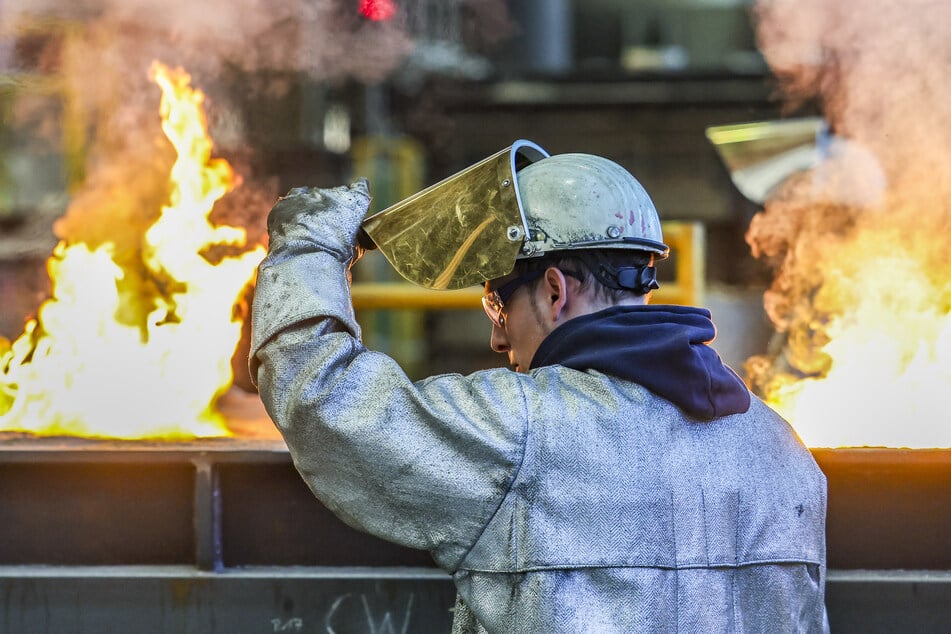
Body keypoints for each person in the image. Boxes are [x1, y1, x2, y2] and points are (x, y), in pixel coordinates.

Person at [249, 141, 829, 633]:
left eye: (497, 304)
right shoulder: (780, 449)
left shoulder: (519, 430)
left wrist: (310, 248)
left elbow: (323, 399)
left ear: (554, 291)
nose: (499, 341)